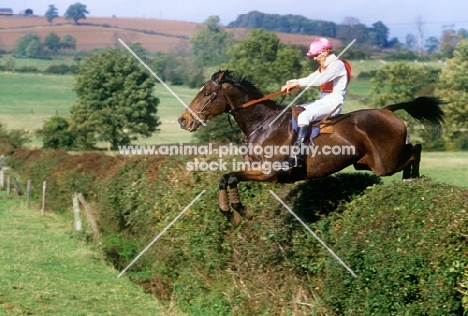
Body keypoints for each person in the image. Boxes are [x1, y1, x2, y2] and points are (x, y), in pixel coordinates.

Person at [281, 37, 351, 168]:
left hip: (334, 102)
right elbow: (311, 77)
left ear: (325, 51)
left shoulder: (337, 65)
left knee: (304, 116)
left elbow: (319, 80)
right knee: (296, 110)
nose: (314, 58)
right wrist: (292, 82)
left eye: (316, 55)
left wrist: (297, 83)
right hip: (323, 100)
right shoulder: (325, 66)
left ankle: (298, 157)